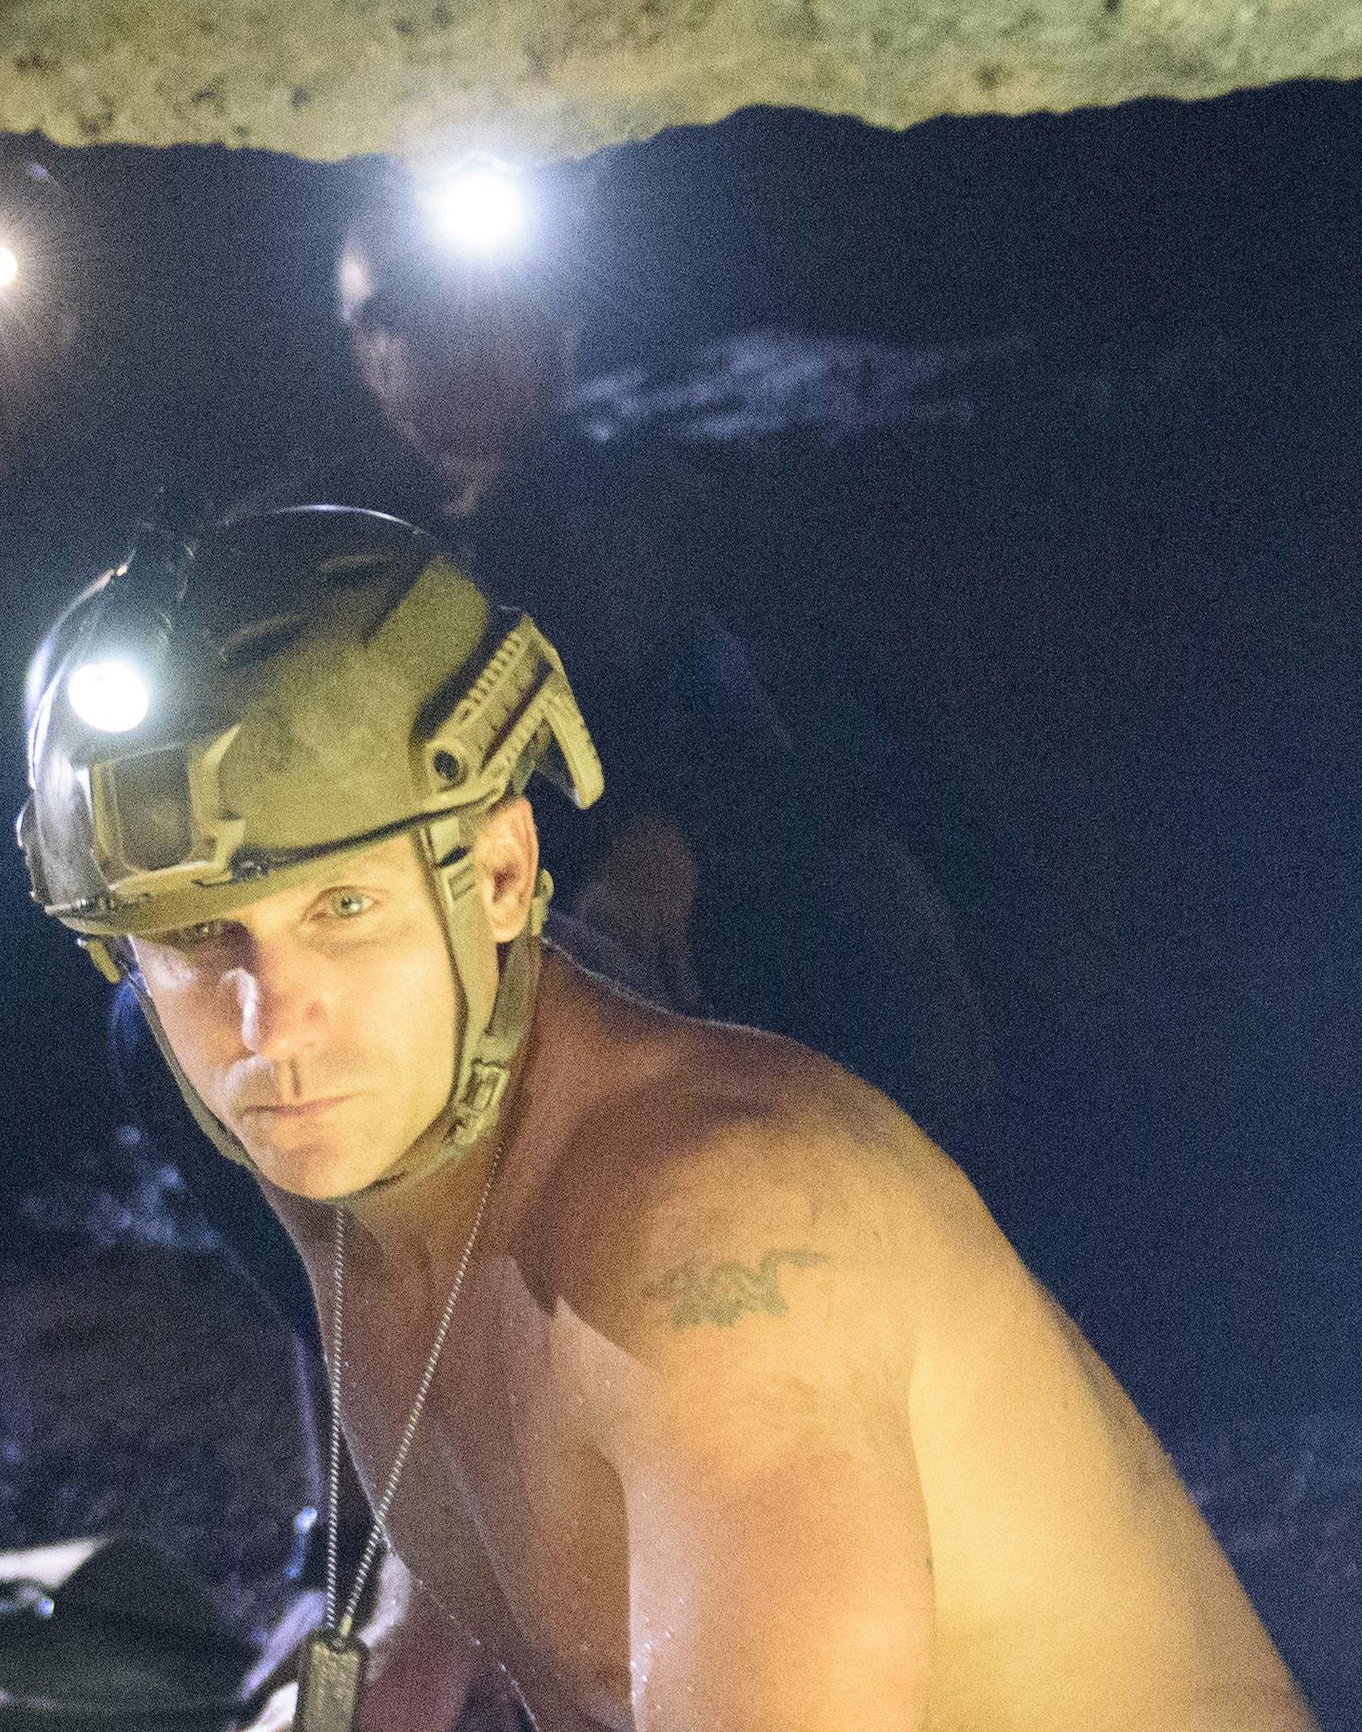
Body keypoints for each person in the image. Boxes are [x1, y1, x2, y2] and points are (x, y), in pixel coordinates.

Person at [0, 505, 1362, 1732]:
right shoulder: (332, 1136)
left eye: (344, 906)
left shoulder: (717, 1213)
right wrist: (413, 1631)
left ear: (503, 873)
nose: (270, 1023)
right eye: (195, 936)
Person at [276, 168, 996, 1146]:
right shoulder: (307, 550)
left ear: (560, 333)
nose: (464, 343)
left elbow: (805, 719)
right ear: (363, 349)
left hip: (660, 886)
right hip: (406, 904)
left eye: (497, 310)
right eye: (415, 316)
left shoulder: (663, 506)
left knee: (865, 908)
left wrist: (673, 839)